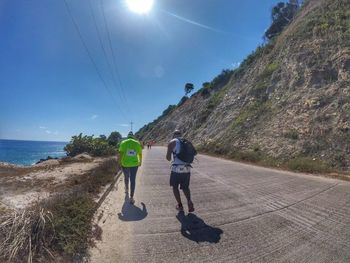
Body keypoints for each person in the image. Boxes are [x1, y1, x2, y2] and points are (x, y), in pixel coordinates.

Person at [166, 130, 195, 213]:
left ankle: (180, 205)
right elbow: (194, 153)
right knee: (185, 187)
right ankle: (189, 201)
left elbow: (168, 158)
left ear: (174, 135)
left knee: (175, 187)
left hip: (176, 169)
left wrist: (173, 153)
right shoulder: (187, 142)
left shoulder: (172, 142)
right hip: (187, 168)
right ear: (181, 134)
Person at [118, 131, 143, 204]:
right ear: (133, 136)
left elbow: (121, 153)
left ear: (128, 136)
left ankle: (126, 189)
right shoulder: (136, 143)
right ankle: (131, 197)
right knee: (133, 180)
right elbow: (140, 154)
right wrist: (140, 162)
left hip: (125, 164)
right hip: (134, 164)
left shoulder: (123, 142)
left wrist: (119, 162)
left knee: (126, 177)